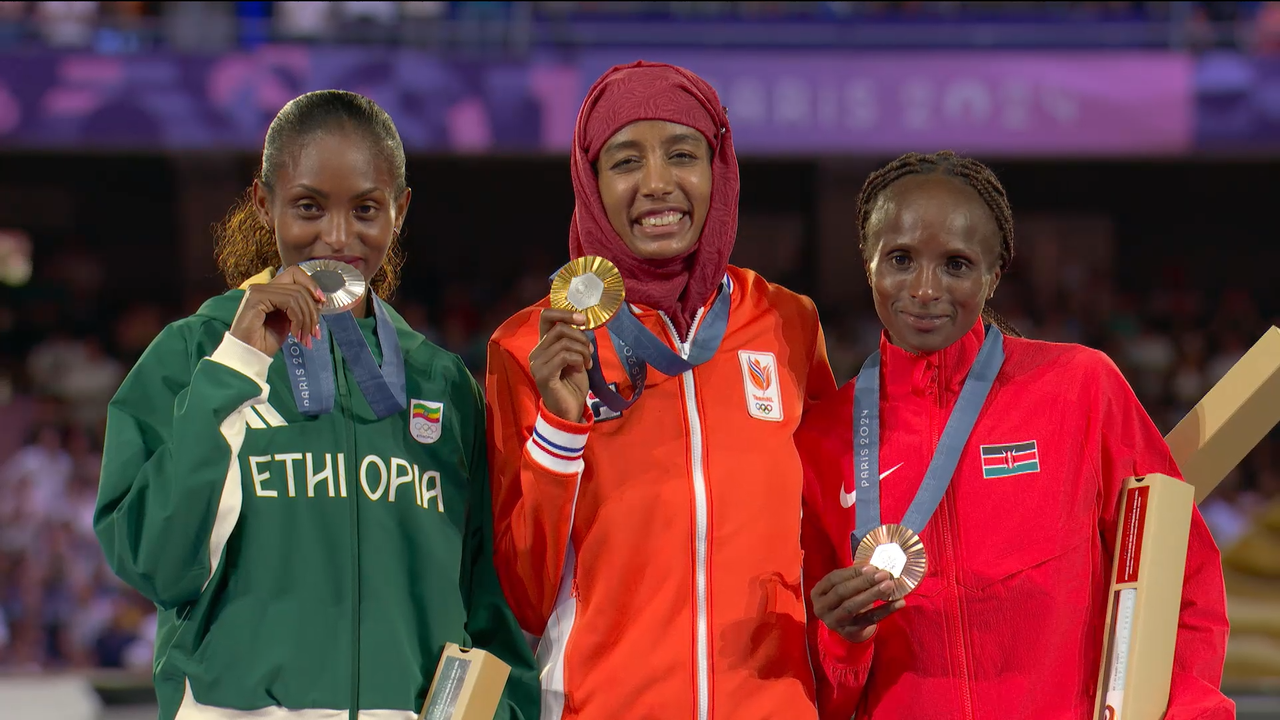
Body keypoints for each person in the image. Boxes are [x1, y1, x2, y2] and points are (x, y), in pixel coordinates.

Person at [93, 90, 539, 720]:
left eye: (365, 209)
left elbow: (487, 611)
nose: (337, 237)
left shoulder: (443, 385)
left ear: (400, 211)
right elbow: (153, 561)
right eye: (308, 206)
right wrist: (237, 367)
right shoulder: (191, 357)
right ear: (263, 202)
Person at [798, 151, 1233, 719]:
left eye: (956, 264)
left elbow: (1183, 575)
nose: (925, 290)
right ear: (868, 261)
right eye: (900, 259)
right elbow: (821, 697)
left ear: (994, 273)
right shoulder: (824, 438)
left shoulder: (1079, 388)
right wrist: (840, 640)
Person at [485, 61, 837, 719]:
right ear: (589, 185)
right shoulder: (532, 343)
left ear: (718, 169)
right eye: (624, 162)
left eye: (682, 154)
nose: (656, 184)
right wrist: (559, 434)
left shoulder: (788, 322)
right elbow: (522, 601)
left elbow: (824, 538)